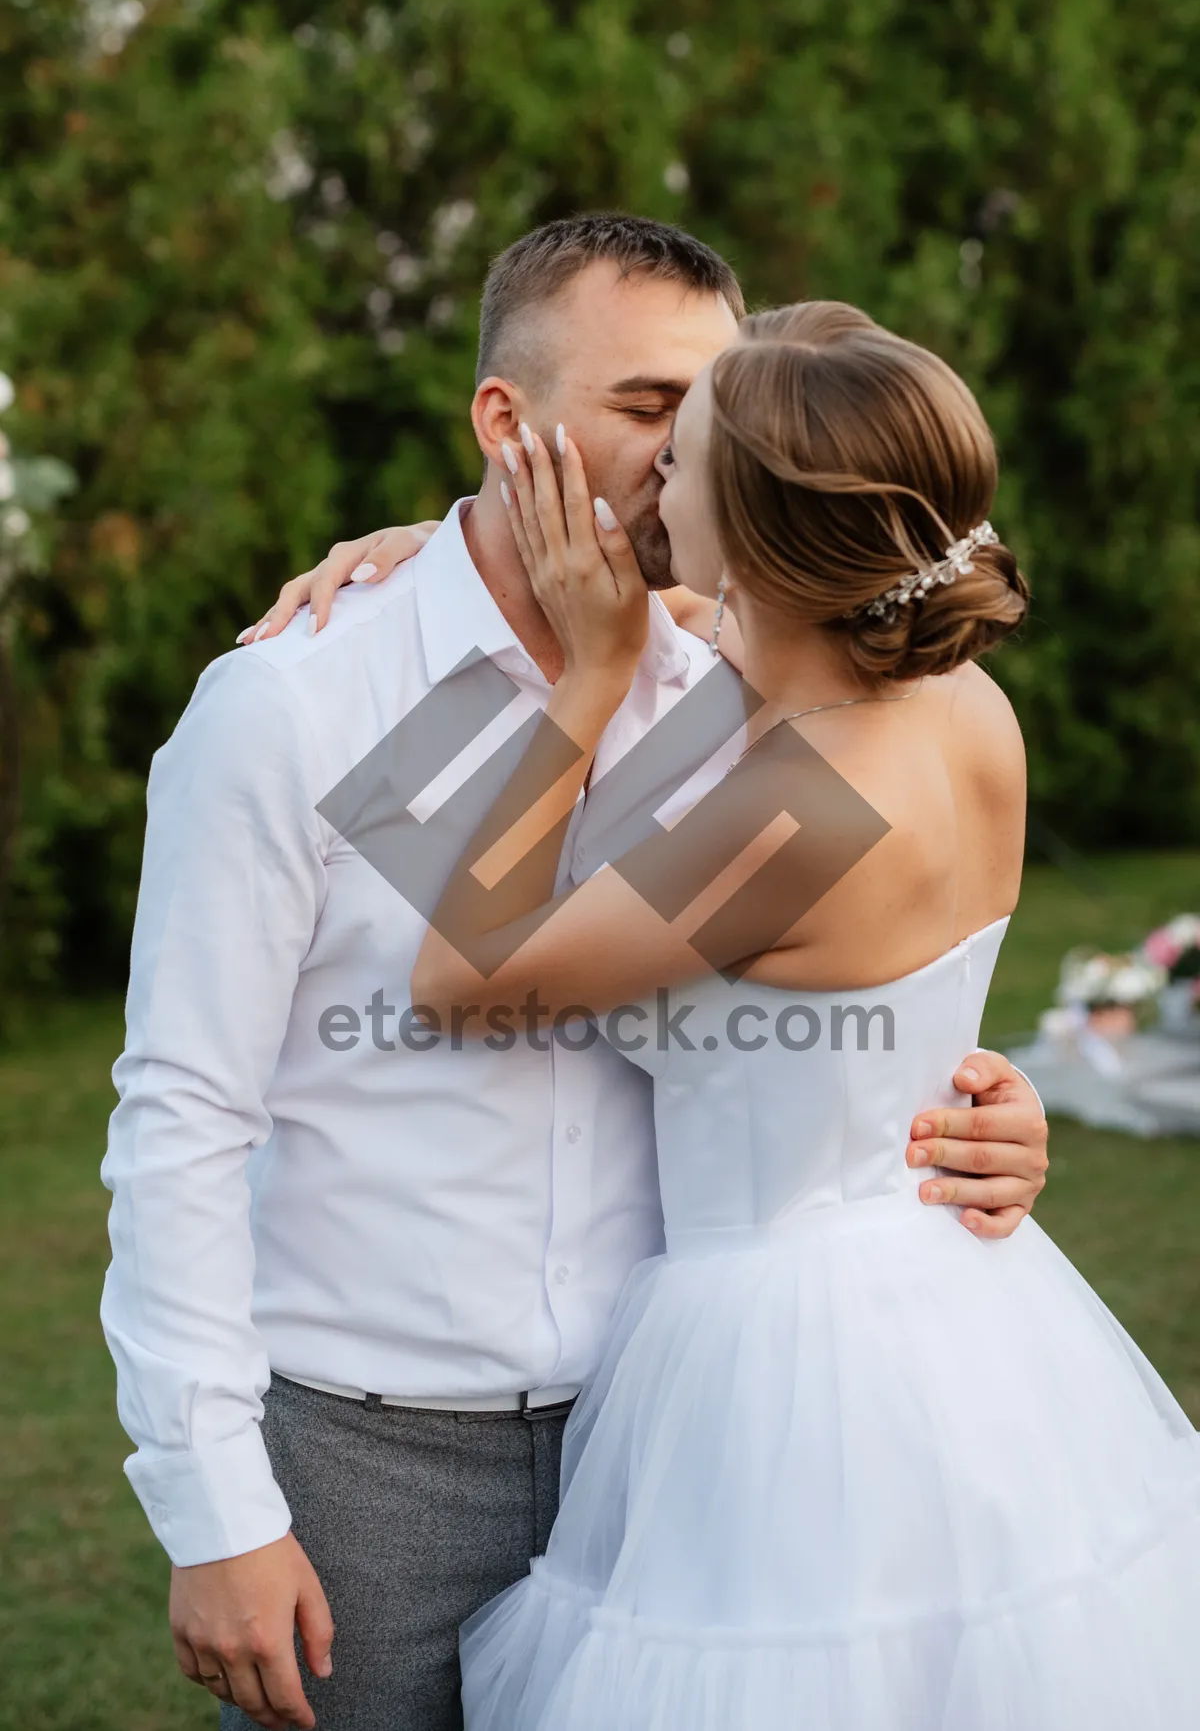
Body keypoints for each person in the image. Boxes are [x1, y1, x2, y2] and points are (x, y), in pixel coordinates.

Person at [101, 217, 1049, 1731]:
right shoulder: (300, 701)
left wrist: (967, 1107)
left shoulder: (746, 686)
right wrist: (215, 1504)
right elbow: (181, 1113)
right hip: (374, 1461)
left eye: (716, 412)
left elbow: (839, 969)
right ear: (506, 423)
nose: (693, 457)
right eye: (650, 412)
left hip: (680, 1447)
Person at [397, 299, 1200, 1728]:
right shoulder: (958, 703)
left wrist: (584, 679)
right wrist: (424, 559)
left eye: (684, 460)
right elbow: (744, 639)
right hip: (956, 1294)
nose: (656, 485)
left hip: (793, 1354)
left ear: (759, 537)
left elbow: (460, 982)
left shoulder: (790, 815)